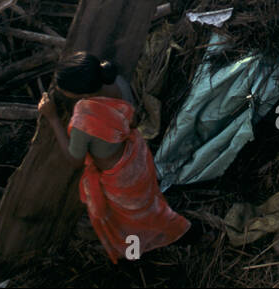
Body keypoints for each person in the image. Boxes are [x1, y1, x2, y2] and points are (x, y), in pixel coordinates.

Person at [38, 50, 190, 263]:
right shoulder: (116, 83)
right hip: (136, 158)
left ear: (79, 94)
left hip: (120, 179)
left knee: (131, 219)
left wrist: (53, 118)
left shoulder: (84, 120)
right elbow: (132, 118)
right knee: (148, 204)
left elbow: (75, 160)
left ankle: (145, 248)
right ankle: (171, 228)